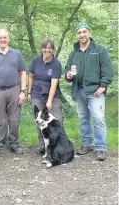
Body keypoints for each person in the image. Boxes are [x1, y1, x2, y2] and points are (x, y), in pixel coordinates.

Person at [65, 22, 114, 161]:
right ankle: (87, 144)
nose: (82, 34)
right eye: (79, 32)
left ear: (89, 33)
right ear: (76, 35)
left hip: (95, 92)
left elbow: (108, 69)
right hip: (79, 91)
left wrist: (103, 86)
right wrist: (68, 75)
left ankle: (101, 148)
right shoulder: (74, 53)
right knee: (83, 119)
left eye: (84, 32)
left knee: (98, 119)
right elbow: (67, 69)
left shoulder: (99, 50)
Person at [0, 29, 27, 159]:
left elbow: (23, 72)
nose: (2, 40)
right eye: (0, 38)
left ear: (8, 39)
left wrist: (23, 91)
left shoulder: (16, 54)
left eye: (5, 38)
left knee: (14, 120)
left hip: (14, 90)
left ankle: (14, 145)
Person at [28, 37, 63, 155]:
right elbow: (31, 77)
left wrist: (49, 101)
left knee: (57, 121)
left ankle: (58, 146)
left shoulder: (56, 64)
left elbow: (54, 84)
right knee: (39, 121)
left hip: (53, 96)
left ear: (52, 49)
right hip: (37, 94)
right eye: (45, 47)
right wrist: (28, 92)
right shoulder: (36, 61)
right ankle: (43, 147)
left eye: (49, 48)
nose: (47, 50)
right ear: (41, 48)